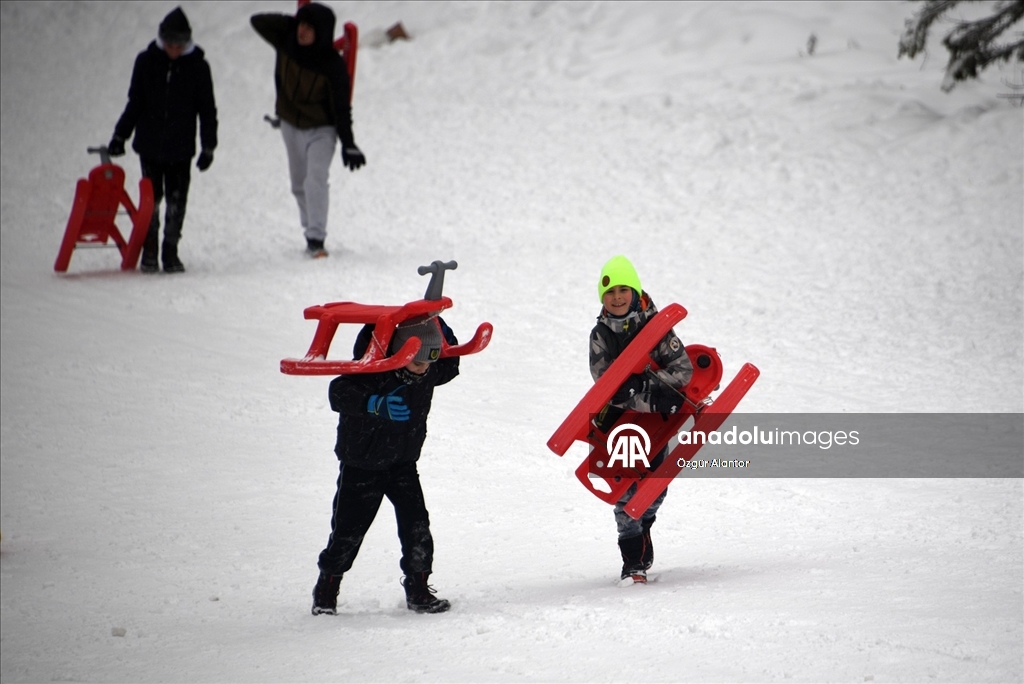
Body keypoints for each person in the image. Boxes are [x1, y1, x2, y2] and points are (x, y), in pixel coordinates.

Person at [312, 316, 458, 615]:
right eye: (416, 362)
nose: (423, 369)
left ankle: (418, 589)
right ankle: (328, 586)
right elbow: (338, 392)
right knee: (348, 531)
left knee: (417, 525)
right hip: (362, 465)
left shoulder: (427, 372)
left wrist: (439, 326)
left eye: (428, 362)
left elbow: (451, 364)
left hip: (403, 463)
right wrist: (373, 404)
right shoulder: (370, 372)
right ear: (398, 353)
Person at [590, 255, 693, 584]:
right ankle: (632, 560)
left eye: (624, 289)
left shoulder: (657, 328)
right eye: (610, 292)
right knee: (626, 492)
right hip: (622, 427)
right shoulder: (602, 334)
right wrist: (649, 395)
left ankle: (644, 528)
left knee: (654, 490)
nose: (617, 297)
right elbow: (607, 385)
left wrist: (642, 383)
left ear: (635, 292)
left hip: (657, 426)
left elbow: (682, 370)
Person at [250, 3, 366, 259]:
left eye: (309, 28)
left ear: (322, 32)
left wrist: (348, 143)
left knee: (315, 179)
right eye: (301, 25)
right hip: (290, 124)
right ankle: (309, 230)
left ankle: (316, 238)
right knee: (298, 184)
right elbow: (257, 21)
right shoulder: (285, 41)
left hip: (321, 129)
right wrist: (292, 22)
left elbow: (341, 108)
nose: (302, 31)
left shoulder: (332, 65)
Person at [108, 6, 218, 274]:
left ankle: (170, 251)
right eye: (170, 43)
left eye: (179, 44)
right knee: (151, 202)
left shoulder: (198, 67)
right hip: (150, 146)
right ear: (162, 39)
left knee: (177, 200)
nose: (174, 49)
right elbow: (135, 102)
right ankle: (150, 250)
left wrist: (208, 146)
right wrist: (121, 134)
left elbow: (207, 109)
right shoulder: (146, 62)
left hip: (181, 149)